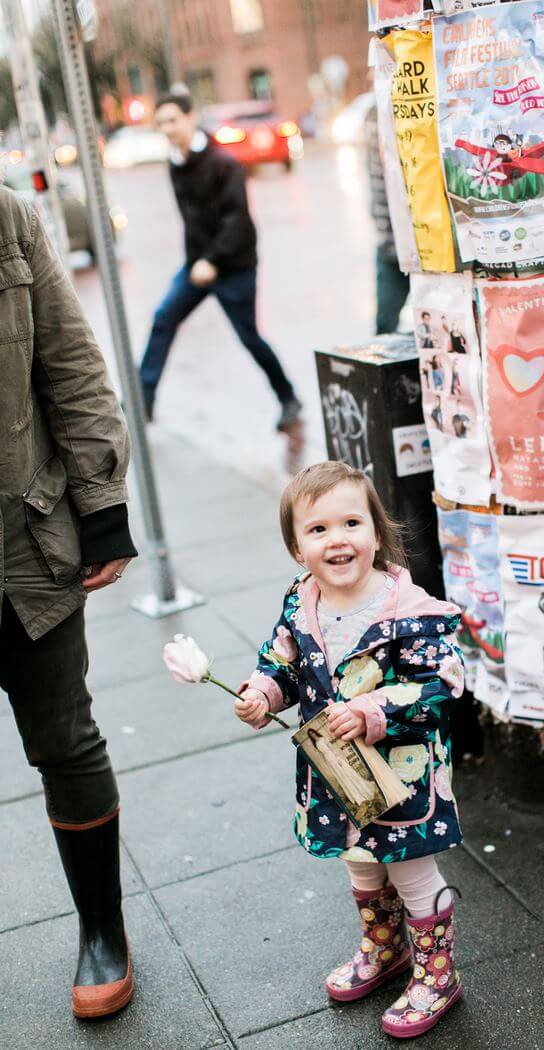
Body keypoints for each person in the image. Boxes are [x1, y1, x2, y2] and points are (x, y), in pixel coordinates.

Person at [235, 461, 465, 1038]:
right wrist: (263, 692)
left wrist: (374, 711)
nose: (337, 539)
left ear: (376, 534)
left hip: (401, 777)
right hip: (339, 777)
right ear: (296, 548)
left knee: (410, 870)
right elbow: (282, 662)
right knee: (360, 862)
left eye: (351, 523)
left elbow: (442, 685)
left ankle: (437, 973)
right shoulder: (300, 603)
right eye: (317, 530)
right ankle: (385, 948)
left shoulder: (410, 615)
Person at [0, 186, 137, 1017]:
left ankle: (102, 932)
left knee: (66, 739)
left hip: (21, 545)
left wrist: (104, 516)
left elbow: (73, 367)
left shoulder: (6, 218)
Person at [139, 92, 301, 430]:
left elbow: (237, 220)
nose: (168, 128)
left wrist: (211, 259)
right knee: (163, 318)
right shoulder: (176, 163)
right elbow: (192, 219)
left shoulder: (222, 163)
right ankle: (143, 400)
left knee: (250, 338)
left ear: (190, 118)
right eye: (161, 123)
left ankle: (288, 398)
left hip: (234, 267)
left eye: (173, 120)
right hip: (197, 267)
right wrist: (197, 259)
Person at [366, 100, 410, 335]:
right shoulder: (374, 114)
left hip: (430, 245)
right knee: (384, 329)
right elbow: (377, 183)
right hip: (390, 245)